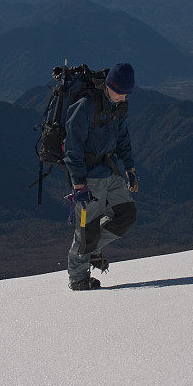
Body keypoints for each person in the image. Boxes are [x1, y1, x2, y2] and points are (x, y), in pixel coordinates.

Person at [63, 62, 139, 290]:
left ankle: (93, 248)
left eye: (127, 94)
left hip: (109, 170)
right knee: (85, 230)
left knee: (126, 215)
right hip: (88, 177)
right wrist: (78, 184)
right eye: (120, 92)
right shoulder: (86, 106)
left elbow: (123, 138)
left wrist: (130, 168)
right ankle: (78, 278)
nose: (123, 98)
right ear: (109, 86)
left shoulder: (118, 107)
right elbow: (72, 147)